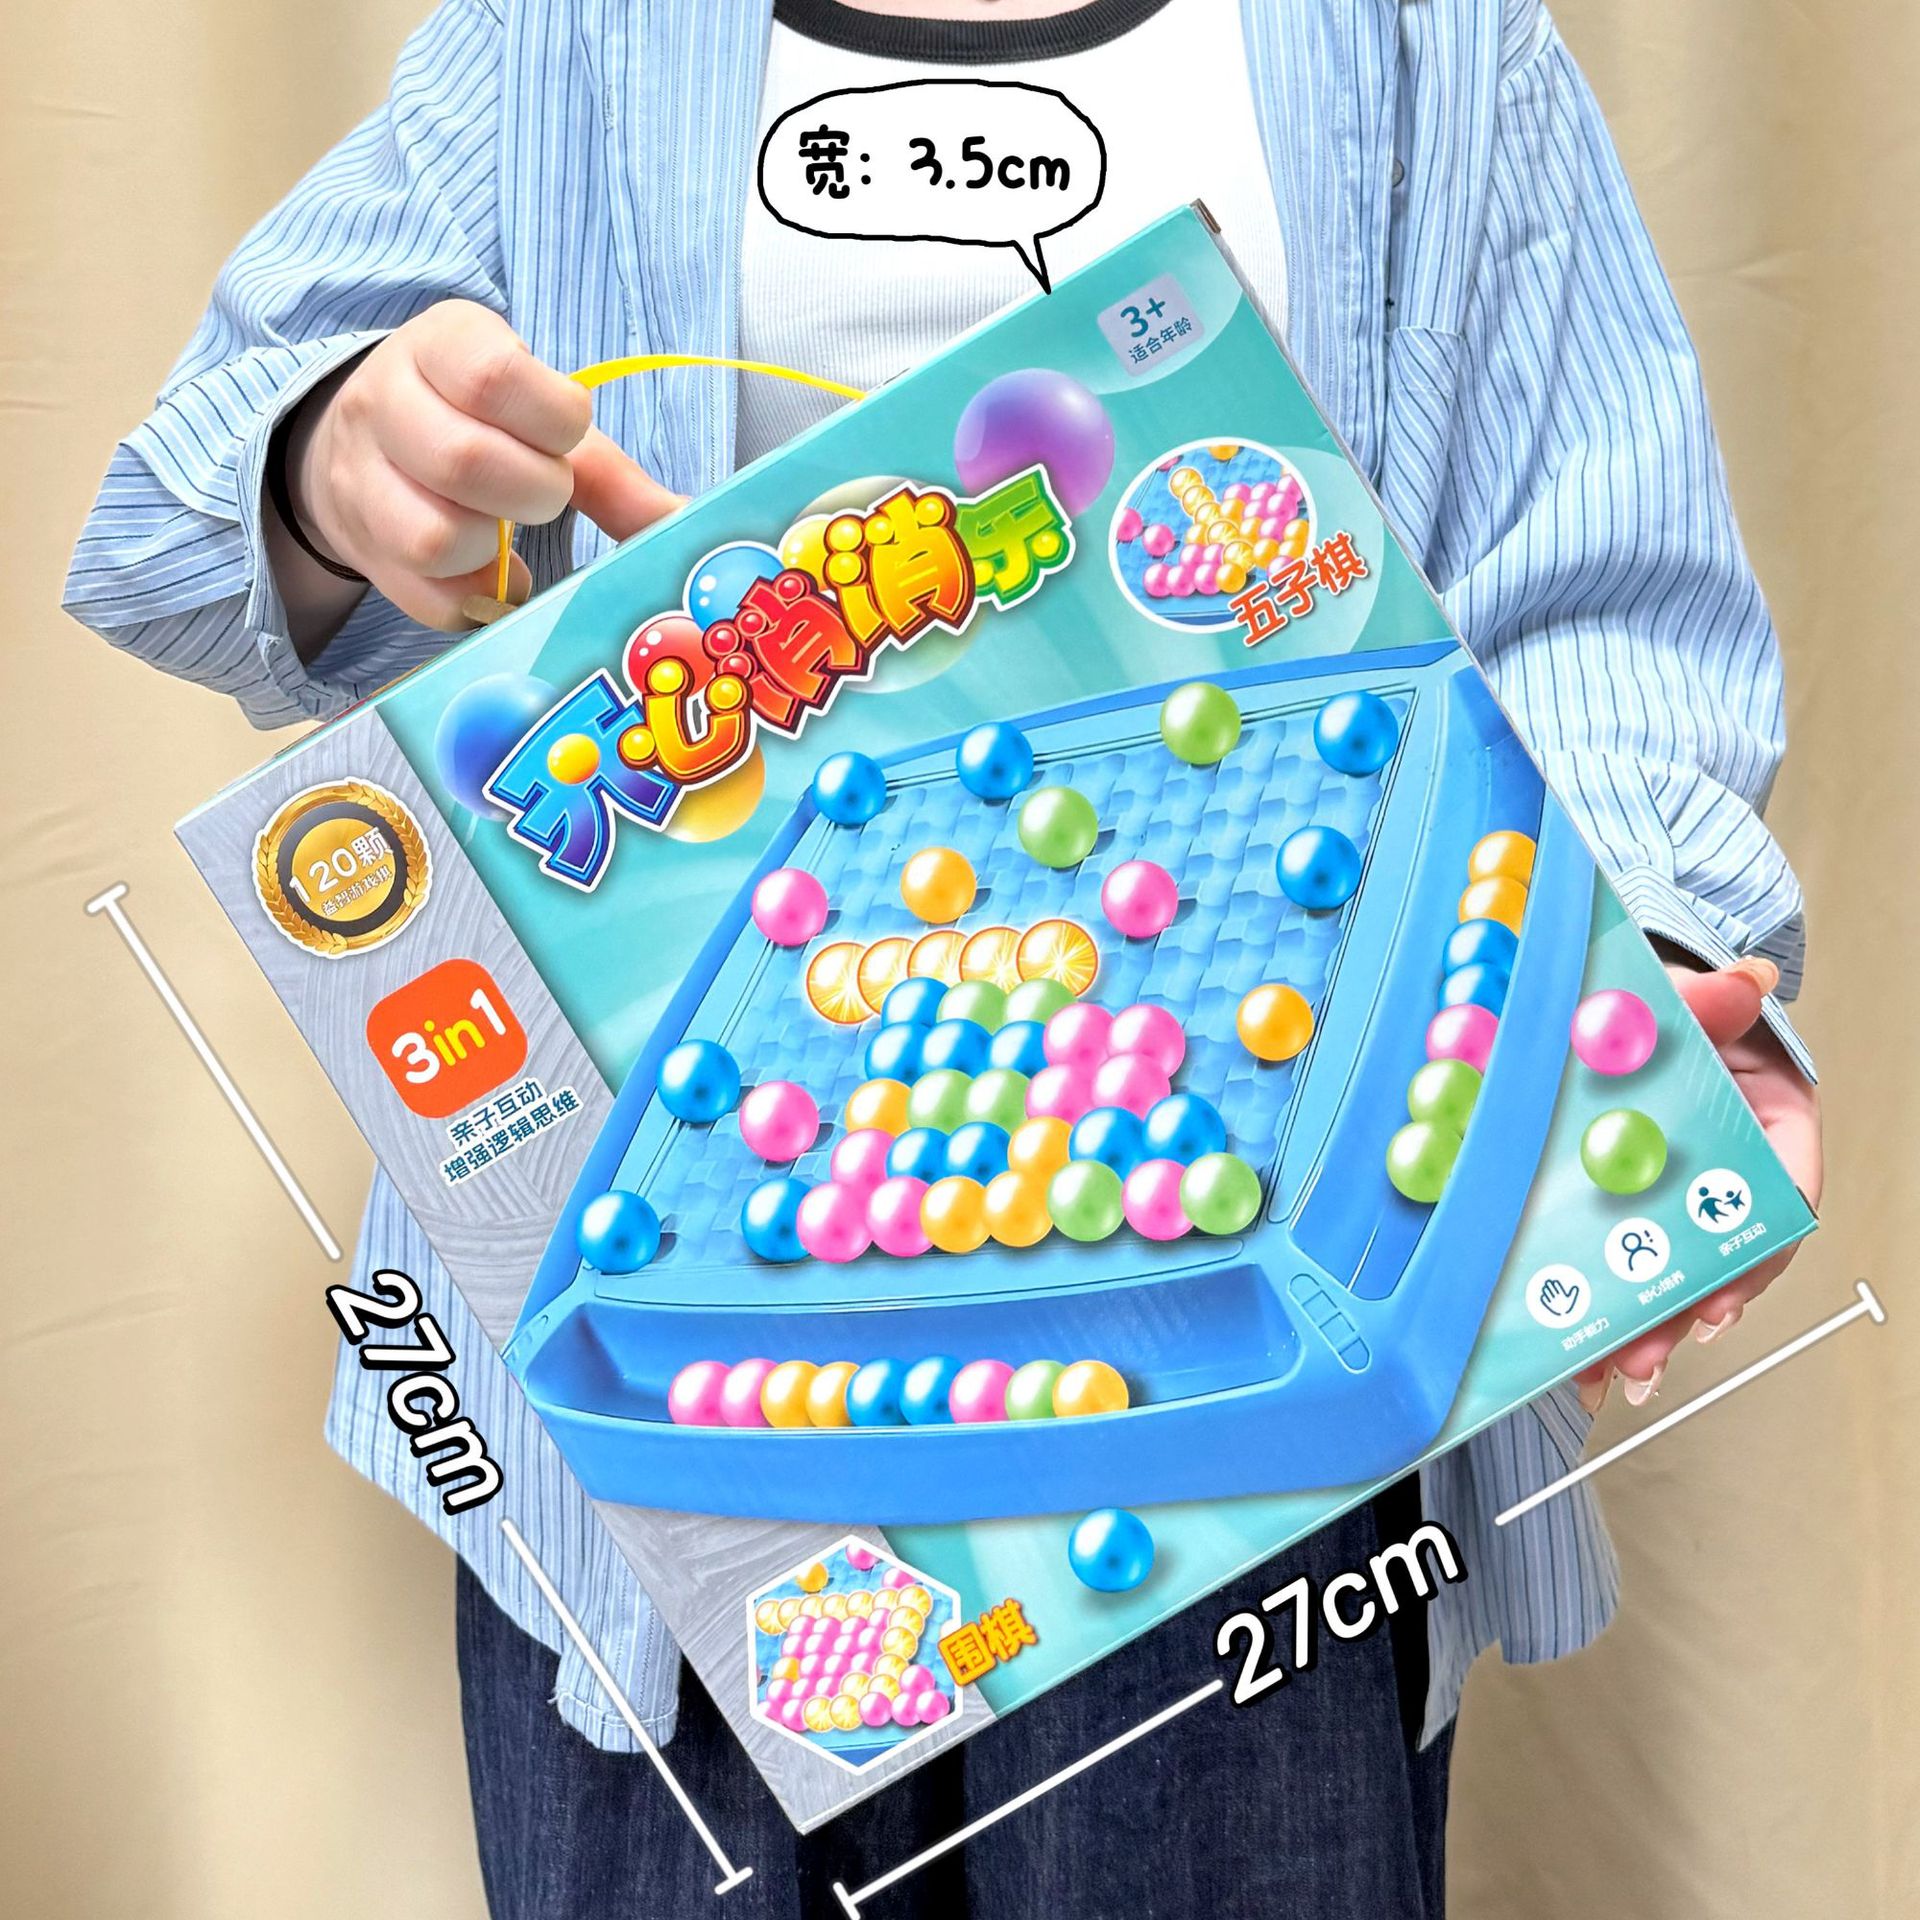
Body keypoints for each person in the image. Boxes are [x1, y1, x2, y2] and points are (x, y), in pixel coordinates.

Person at [63, 1, 1823, 1913]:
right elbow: (163, 533)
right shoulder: (562, 36)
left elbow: (1599, 590)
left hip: (1246, 1357)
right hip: (688, 1372)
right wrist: (331, 465)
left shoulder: (1422, 40)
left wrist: (1643, 979)